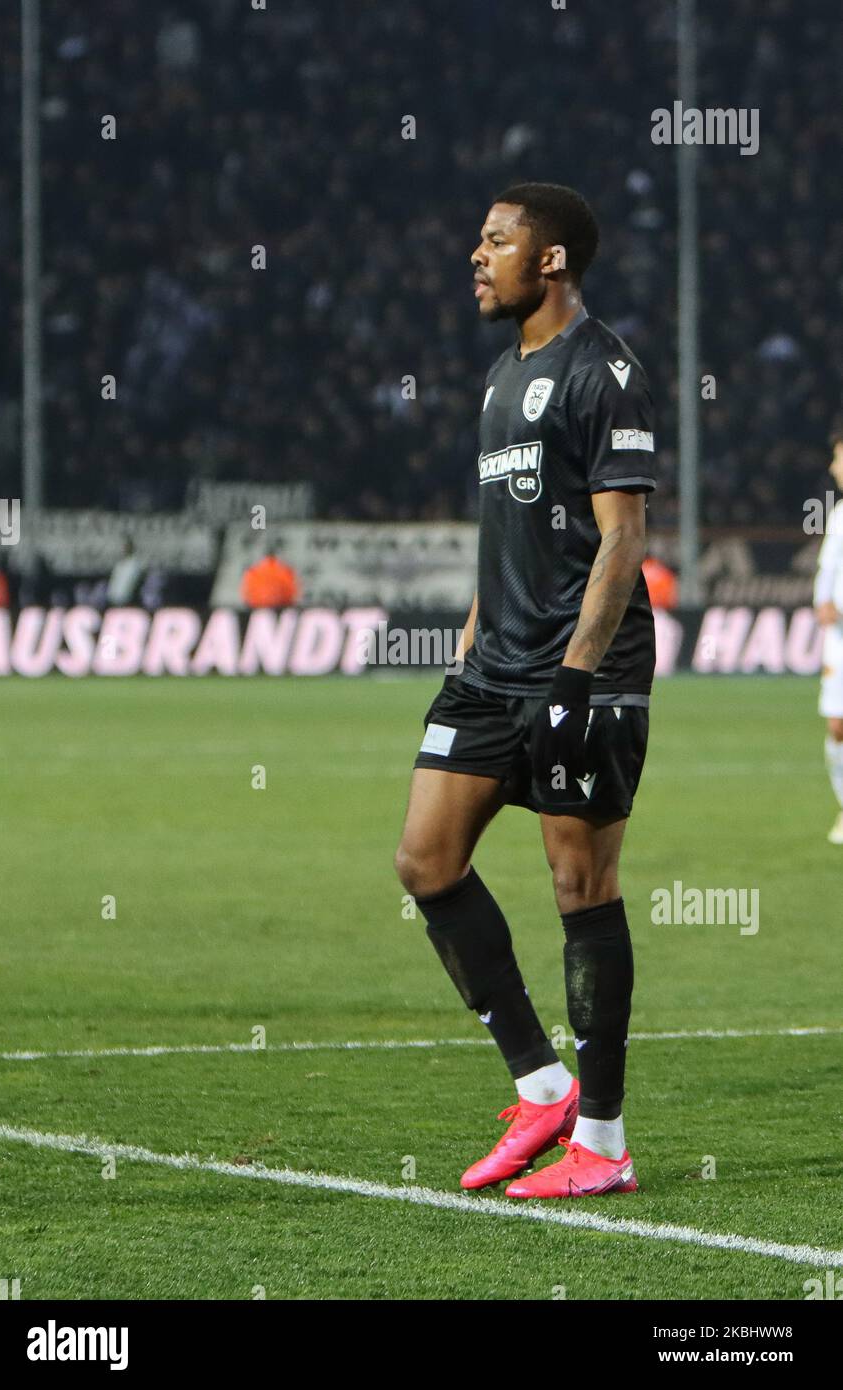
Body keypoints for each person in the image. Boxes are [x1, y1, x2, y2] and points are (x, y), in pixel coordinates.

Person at [394, 183, 656, 1199]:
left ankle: (601, 1138)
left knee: (579, 890)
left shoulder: (606, 370)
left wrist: (575, 677)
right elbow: (498, 546)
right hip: (490, 672)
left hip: (579, 675)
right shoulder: (503, 377)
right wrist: (466, 661)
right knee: (424, 860)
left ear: (548, 261)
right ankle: (540, 1082)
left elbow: (622, 536)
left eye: (496, 241)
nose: (476, 254)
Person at [813, 429, 843, 845]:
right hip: (840, 637)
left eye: (840, 458)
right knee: (837, 726)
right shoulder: (838, 515)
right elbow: (827, 569)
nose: (834, 467)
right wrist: (822, 600)